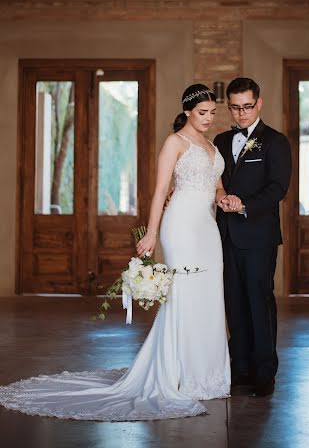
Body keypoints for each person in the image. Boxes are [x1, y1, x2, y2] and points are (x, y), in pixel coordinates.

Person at [0, 84, 232, 421]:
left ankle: (208, 376)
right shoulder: (175, 143)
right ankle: (179, 375)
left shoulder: (211, 146)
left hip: (208, 228)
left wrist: (224, 198)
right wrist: (152, 233)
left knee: (209, 295)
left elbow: (217, 186)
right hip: (180, 225)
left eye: (212, 112)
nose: (209, 118)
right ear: (186, 113)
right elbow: (158, 192)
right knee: (183, 295)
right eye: (202, 113)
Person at [214, 77, 292, 397]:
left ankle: (264, 372)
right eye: (235, 107)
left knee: (259, 301)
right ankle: (240, 367)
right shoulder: (219, 140)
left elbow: (278, 188)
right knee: (233, 302)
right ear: (229, 106)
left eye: (247, 106)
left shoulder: (275, 141)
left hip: (258, 235)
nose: (242, 113)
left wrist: (243, 204)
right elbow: (212, 181)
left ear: (259, 104)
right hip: (225, 234)